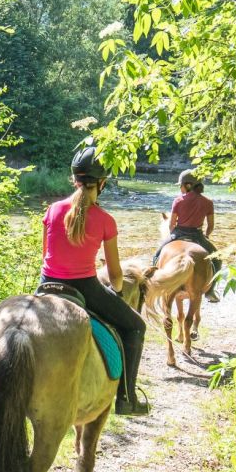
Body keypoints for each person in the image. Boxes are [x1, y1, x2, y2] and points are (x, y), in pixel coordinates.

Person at [41, 145, 150, 416]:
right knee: (136, 326)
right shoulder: (104, 220)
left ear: (74, 179)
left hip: (46, 284)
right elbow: (114, 275)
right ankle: (126, 398)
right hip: (85, 287)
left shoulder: (53, 210)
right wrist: (116, 291)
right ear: (101, 184)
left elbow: (45, 254)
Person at [158, 169, 221, 303]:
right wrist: (207, 235)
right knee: (217, 259)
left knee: (158, 254)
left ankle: (156, 282)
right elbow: (210, 225)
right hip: (197, 235)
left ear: (187, 185)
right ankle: (210, 291)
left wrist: (172, 234)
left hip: (178, 233)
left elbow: (172, 223)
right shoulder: (208, 202)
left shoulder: (178, 200)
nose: (180, 188)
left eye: (180, 185)